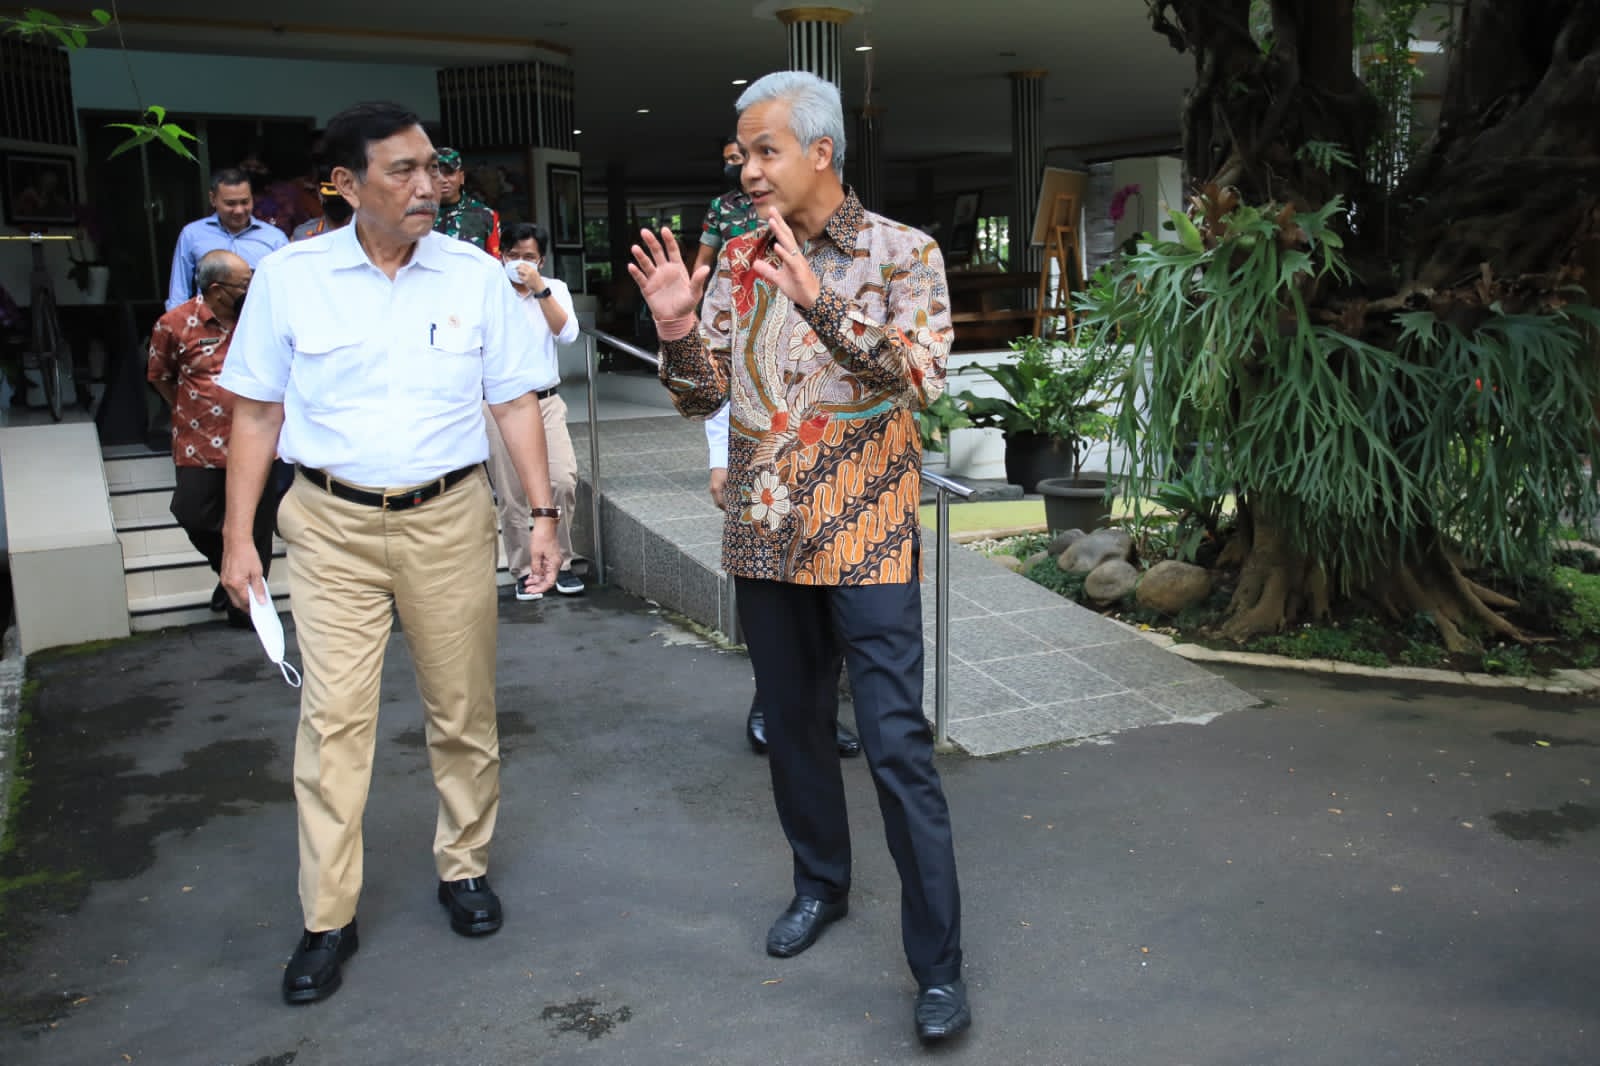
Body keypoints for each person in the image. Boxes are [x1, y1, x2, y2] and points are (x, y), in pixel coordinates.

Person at [630, 70, 970, 1043]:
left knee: (897, 744)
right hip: (764, 532)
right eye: (740, 152)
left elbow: (921, 375)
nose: (747, 168)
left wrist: (819, 296)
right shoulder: (734, 258)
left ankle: (937, 963)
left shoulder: (903, 252)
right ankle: (819, 883)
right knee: (792, 729)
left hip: (864, 533)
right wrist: (674, 329)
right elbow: (700, 398)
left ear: (820, 150)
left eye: (763, 149)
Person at [216, 100, 562, 1006]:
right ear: (345, 184)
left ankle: (465, 867)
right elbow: (256, 411)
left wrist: (542, 512)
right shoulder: (290, 278)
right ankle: (328, 918)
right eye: (402, 171)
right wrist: (237, 537)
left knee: (462, 705)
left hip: (447, 518)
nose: (428, 186)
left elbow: (514, 400)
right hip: (329, 524)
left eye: (433, 168)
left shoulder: (475, 275)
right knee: (334, 723)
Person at [707, 403, 860, 757]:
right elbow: (724, 373)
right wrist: (720, 455)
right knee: (776, 584)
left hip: (841, 458)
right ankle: (769, 703)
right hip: (767, 458)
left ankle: (822, 713)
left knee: (832, 588)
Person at [146, 249, 279, 628]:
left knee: (258, 524)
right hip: (199, 440)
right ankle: (230, 568)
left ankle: (248, 609)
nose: (251, 288)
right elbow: (159, 374)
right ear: (218, 289)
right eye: (244, 283)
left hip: (255, 438)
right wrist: (187, 407)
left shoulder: (258, 319)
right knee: (191, 512)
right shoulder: (174, 324)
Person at [488, 221, 585, 598]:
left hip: (545, 401)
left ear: (541, 259)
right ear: (502, 256)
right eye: (513, 256)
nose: (520, 263)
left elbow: (568, 334)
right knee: (512, 493)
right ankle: (524, 569)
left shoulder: (553, 289)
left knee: (562, 480)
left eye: (528, 257)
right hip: (499, 405)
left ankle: (559, 561)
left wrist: (539, 289)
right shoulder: (489, 291)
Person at [166, 168, 288, 310]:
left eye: (245, 202)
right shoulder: (192, 234)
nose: (239, 210)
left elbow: (287, 287)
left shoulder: (275, 238)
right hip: (208, 326)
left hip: (259, 320)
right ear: (213, 199)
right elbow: (178, 293)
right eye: (230, 203)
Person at [691, 135, 759, 279]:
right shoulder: (720, 205)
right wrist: (695, 296)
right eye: (726, 160)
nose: (729, 165)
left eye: (734, 159)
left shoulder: (777, 200)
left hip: (771, 292)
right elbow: (703, 260)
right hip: (730, 292)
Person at [432, 148, 501, 256]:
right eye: (437, 174)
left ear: (461, 177)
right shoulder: (418, 215)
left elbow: (495, 262)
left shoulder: (486, 216)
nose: (443, 180)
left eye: (449, 173)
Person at [290, 168, 354, 241]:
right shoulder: (303, 235)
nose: (336, 201)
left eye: (340, 198)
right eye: (330, 197)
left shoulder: (367, 232)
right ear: (319, 194)